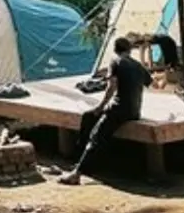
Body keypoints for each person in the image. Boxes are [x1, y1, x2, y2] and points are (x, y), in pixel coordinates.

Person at [60, 36, 151, 185]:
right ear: (129, 50)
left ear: (115, 49)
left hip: (119, 108)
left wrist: (101, 106)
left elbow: (111, 87)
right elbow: (153, 83)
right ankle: (82, 162)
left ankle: (77, 172)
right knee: (89, 117)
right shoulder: (138, 65)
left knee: (96, 135)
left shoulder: (115, 61)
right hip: (134, 111)